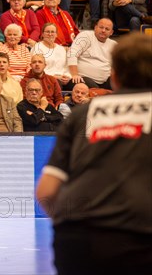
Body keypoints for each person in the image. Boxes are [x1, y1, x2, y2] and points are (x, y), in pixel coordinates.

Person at [35, 32, 152, 275]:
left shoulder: (82, 114)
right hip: (139, 234)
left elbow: (46, 191)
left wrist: (74, 223)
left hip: (77, 237)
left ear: (114, 76)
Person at [67, 18, 117, 90]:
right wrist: (74, 74)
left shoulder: (114, 45)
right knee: (95, 89)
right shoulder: (85, 36)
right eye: (101, 27)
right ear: (95, 27)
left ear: (111, 32)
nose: (103, 30)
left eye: (107, 29)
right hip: (82, 79)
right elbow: (72, 53)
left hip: (104, 82)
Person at [31, 23, 72, 90]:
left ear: (56, 34)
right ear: (42, 34)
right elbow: (37, 68)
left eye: (52, 32)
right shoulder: (37, 47)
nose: (50, 34)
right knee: (56, 83)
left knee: (80, 83)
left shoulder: (61, 49)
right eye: (47, 32)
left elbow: (66, 66)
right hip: (46, 78)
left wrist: (67, 76)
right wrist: (54, 77)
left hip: (63, 78)